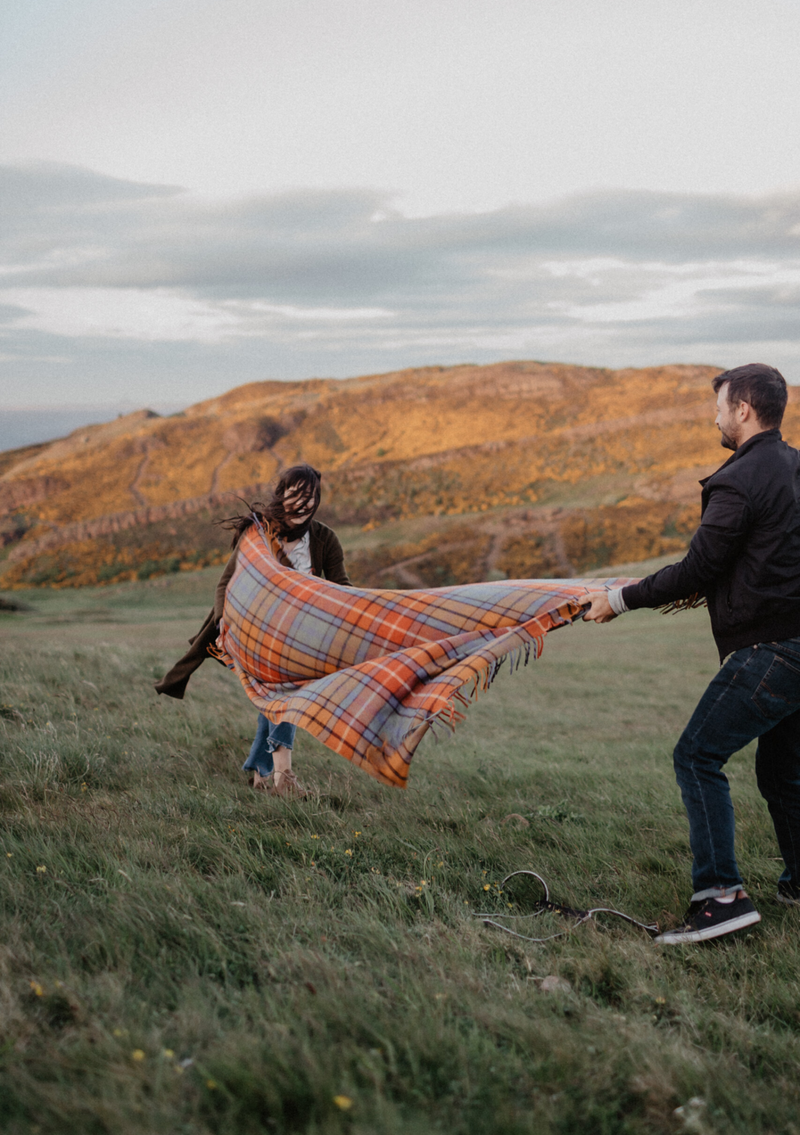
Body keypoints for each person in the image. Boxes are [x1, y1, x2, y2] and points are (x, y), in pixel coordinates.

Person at [584, 363, 800, 943]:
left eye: (721, 406)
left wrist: (620, 598)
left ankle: (721, 899)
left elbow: (700, 568)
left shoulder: (739, 479)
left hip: (772, 649)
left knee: (697, 756)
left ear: (745, 410)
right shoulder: (796, 468)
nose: (716, 416)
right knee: (782, 772)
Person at [155, 463, 350, 796]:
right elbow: (225, 583)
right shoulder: (259, 535)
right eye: (296, 495)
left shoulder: (324, 539)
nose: (303, 505)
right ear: (281, 496)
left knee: (273, 700)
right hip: (254, 633)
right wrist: (223, 623)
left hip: (302, 638)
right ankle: (284, 778)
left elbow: (342, 587)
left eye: (311, 497)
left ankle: (262, 772)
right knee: (285, 694)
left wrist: (360, 615)